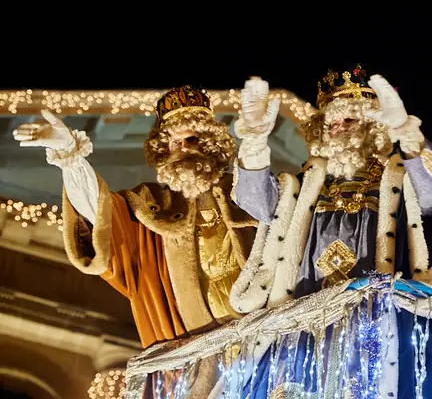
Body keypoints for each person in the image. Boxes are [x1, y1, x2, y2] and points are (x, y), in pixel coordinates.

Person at [228, 66, 432, 398]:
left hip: (373, 328)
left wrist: (408, 139)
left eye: (349, 121)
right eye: (331, 124)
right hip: (305, 331)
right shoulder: (306, 183)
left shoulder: (398, 178)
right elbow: (258, 205)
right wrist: (253, 140)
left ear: (373, 125)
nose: (338, 130)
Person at [12, 86, 258, 349]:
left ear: (210, 143)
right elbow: (100, 214)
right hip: (198, 355)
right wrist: (70, 156)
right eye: (175, 143)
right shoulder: (151, 206)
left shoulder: (246, 191)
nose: (184, 149)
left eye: (192, 139)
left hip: (263, 337)